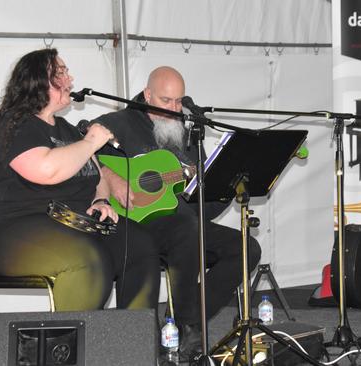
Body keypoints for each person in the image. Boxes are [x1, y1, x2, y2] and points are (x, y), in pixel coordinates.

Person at [0, 48, 160, 312]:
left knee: (139, 246)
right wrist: (92, 141)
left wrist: (101, 199)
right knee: (88, 260)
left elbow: (98, 174)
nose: (70, 78)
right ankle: (67, 347)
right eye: (60, 72)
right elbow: (46, 170)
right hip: (9, 228)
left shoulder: (67, 130)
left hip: (68, 223)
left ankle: (131, 344)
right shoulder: (16, 125)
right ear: (37, 82)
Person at [94, 66, 262, 360]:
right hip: (136, 223)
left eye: (178, 101)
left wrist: (217, 185)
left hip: (182, 221)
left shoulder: (186, 131)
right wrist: (109, 176)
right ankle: (187, 327)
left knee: (246, 247)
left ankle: (182, 319)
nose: (174, 109)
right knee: (187, 227)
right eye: (165, 101)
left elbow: (197, 202)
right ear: (147, 95)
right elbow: (80, 149)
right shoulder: (118, 122)